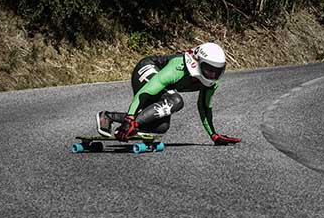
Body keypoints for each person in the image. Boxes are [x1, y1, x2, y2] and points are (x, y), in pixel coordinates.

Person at [96, 42, 242, 145]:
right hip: (147, 68)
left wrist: (214, 135)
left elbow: (204, 108)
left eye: (217, 71)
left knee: (161, 127)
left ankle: (108, 117)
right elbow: (145, 93)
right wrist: (130, 118)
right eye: (209, 69)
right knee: (176, 100)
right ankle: (130, 124)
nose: (212, 75)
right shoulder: (178, 67)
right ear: (197, 62)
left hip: (159, 85)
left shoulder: (212, 83)